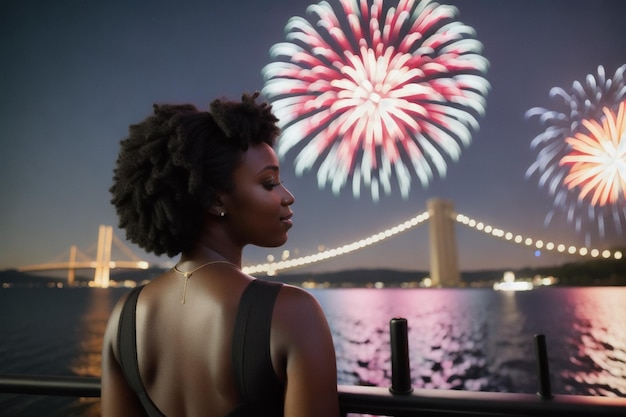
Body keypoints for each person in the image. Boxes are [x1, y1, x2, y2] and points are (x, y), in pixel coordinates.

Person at [101, 92, 340, 417]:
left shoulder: (123, 317)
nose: (288, 196)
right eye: (269, 183)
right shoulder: (293, 313)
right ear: (215, 201)